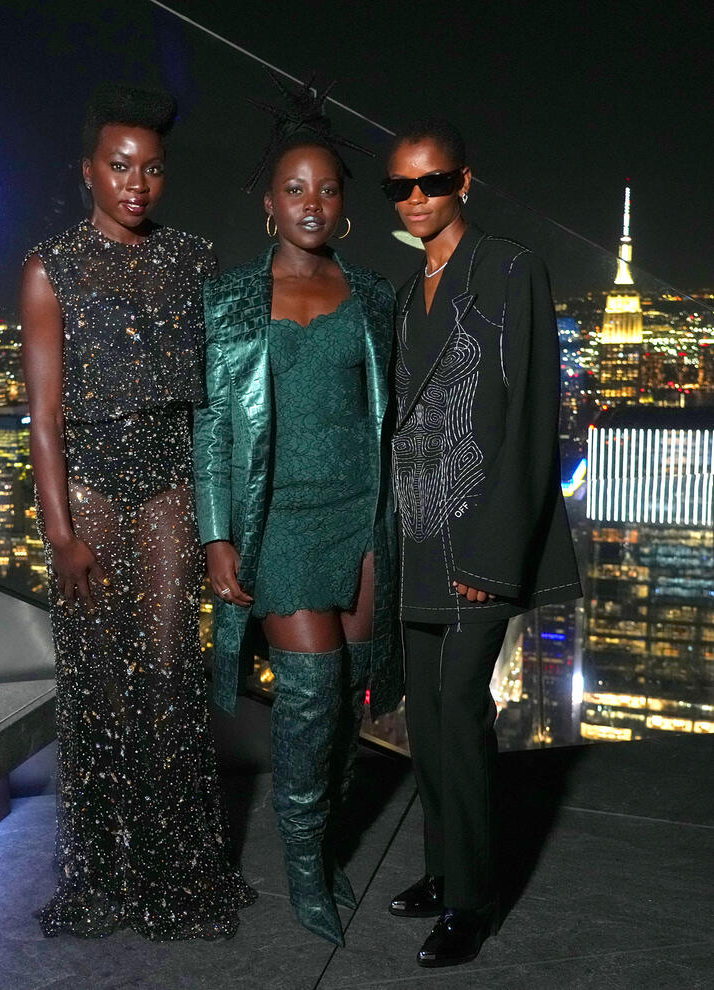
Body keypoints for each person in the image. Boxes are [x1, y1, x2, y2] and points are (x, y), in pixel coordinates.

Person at [20, 84, 255, 941]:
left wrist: (213, 515)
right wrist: (61, 532)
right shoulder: (51, 265)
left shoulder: (194, 259)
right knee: (97, 686)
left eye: (151, 168)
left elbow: (211, 404)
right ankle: (106, 873)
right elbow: (42, 417)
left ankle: (174, 870)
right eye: (120, 166)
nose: (136, 182)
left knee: (165, 679)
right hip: (87, 490)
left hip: (169, 489)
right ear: (90, 172)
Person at [193, 90, 401, 947]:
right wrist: (216, 533)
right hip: (277, 519)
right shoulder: (233, 300)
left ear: (343, 204)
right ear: (268, 202)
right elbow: (211, 423)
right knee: (310, 698)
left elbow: (396, 415)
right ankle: (305, 869)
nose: (311, 203)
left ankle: (327, 841)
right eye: (294, 189)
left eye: (326, 189)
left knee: (352, 699)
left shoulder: (378, 295)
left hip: (360, 515)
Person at [382, 119, 582, 967]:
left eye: (433, 181)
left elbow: (534, 421)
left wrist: (493, 561)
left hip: (476, 541)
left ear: (465, 181)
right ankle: (443, 866)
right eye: (402, 187)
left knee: (458, 712)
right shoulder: (405, 291)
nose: (417, 198)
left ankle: (470, 900)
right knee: (424, 717)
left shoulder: (507, 268)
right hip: (415, 532)